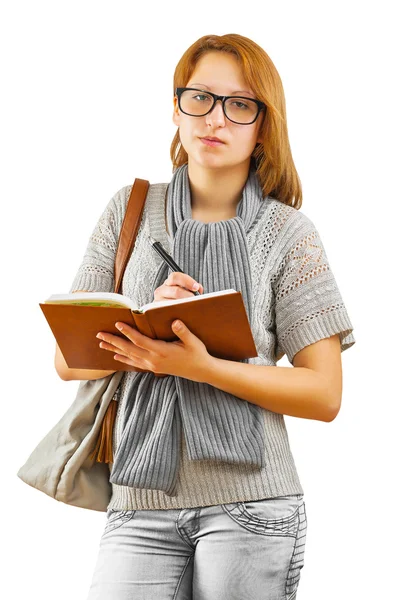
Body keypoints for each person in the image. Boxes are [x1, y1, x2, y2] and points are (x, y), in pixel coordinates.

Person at [55, 33, 356, 600]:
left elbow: (324, 394)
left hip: (254, 508)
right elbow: (68, 363)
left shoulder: (288, 233)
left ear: (263, 125)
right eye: (200, 98)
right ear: (175, 107)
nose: (215, 118)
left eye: (240, 105)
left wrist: (202, 367)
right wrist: (143, 324)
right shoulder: (130, 210)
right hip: (138, 503)